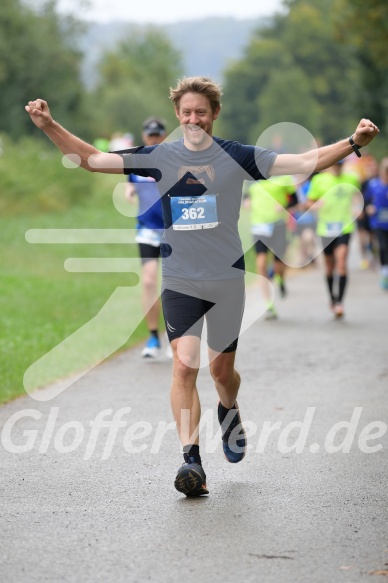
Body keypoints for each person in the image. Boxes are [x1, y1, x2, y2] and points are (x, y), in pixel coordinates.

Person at [25, 77, 379, 497]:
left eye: (201, 112)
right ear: (178, 114)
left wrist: (352, 143)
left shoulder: (237, 156)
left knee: (221, 373)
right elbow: (93, 160)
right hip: (180, 277)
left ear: (213, 114)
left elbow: (302, 163)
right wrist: (49, 126)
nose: (193, 118)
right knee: (185, 364)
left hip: (228, 279)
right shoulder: (160, 156)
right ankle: (191, 460)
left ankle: (228, 410)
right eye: (187, 112)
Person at [124, 117, 172, 359]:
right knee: (149, 282)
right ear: (144, 137)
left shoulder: (172, 160)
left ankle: (177, 338)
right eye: (150, 136)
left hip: (173, 230)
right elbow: (129, 181)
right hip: (147, 229)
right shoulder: (137, 162)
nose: (154, 139)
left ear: (163, 136)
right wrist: (129, 189)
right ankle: (153, 337)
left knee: (175, 284)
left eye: (157, 135)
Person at [306, 160, 361, 318]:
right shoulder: (318, 180)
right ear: (329, 165)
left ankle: (340, 303)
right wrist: (315, 205)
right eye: (335, 164)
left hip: (345, 227)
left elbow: (358, 196)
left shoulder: (352, 179)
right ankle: (332, 297)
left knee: (342, 263)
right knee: (330, 268)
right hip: (325, 229)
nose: (337, 167)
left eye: (340, 165)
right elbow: (309, 201)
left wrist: (358, 207)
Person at [245, 175, 298, 319]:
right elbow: (245, 197)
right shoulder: (252, 181)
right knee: (261, 264)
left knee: (278, 264)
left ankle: (280, 278)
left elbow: (295, 200)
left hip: (278, 226)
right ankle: (268, 304)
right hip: (259, 227)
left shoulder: (284, 180)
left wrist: (284, 206)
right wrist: (247, 202)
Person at [364, 158, 388, 290]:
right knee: (383, 247)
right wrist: (369, 207)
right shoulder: (374, 185)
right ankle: (385, 273)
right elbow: (365, 199)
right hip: (379, 222)